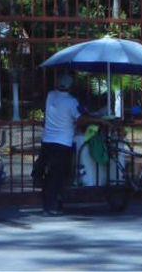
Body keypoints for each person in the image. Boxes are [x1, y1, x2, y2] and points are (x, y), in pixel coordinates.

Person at [39, 71, 96, 215]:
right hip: (63, 143)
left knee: (48, 175)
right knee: (58, 175)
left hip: (47, 141)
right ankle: (53, 206)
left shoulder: (50, 96)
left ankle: (48, 205)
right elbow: (81, 119)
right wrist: (96, 119)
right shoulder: (72, 102)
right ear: (71, 87)